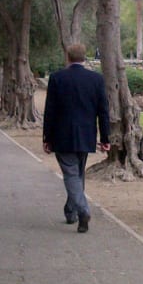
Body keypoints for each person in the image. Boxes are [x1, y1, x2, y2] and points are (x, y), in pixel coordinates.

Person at [42, 43, 110, 234]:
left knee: (72, 175)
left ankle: (82, 211)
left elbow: (50, 111)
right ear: (84, 57)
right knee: (77, 175)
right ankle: (70, 212)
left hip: (62, 136)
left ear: (68, 57)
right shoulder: (96, 79)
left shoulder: (57, 78)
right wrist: (105, 137)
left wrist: (47, 137)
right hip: (86, 135)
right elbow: (103, 111)